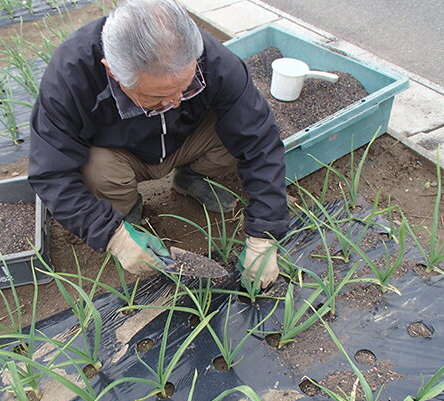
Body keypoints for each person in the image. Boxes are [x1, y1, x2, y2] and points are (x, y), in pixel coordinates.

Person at [28, 0, 289, 289]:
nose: (175, 102)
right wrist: (111, 235)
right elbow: (50, 173)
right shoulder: (71, 76)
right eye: (158, 97)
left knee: (236, 134)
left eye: (186, 89)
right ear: (113, 72)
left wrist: (265, 236)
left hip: (186, 140)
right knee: (94, 169)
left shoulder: (210, 59)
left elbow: (260, 138)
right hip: (121, 156)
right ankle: (126, 216)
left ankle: (190, 177)